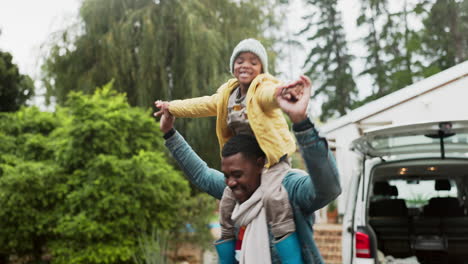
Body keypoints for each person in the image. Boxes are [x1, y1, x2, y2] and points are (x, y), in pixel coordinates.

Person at [156, 80, 341, 263]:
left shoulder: (287, 188)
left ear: (260, 164)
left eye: (237, 175)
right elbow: (202, 175)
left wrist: (302, 124)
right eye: (227, 176)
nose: (230, 182)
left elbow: (328, 189)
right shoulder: (235, 193)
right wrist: (169, 133)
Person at [154, 38, 307, 259]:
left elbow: (270, 95)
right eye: (240, 60)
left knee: (274, 198)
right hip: (245, 163)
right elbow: (201, 104)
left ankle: (292, 257)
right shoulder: (227, 95)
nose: (246, 65)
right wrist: (171, 107)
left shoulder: (262, 89)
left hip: (272, 162)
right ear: (233, 66)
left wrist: (283, 93)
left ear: (262, 69)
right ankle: (226, 258)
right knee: (226, 204)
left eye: (254, 62)